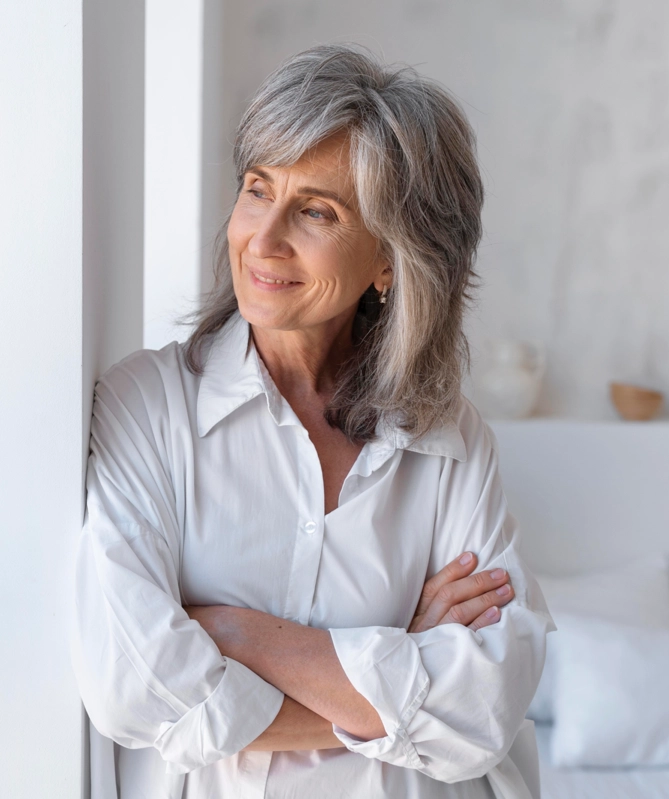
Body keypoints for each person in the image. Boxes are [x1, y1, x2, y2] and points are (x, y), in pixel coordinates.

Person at [71, 43, 554, 799]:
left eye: (316, 211)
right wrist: (400, 661)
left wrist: (238, 636)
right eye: (257, 190)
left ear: (390, 261)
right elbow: (135, 687)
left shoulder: (449, 440)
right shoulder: (149, 405)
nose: (262, 240)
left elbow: (484, 709)